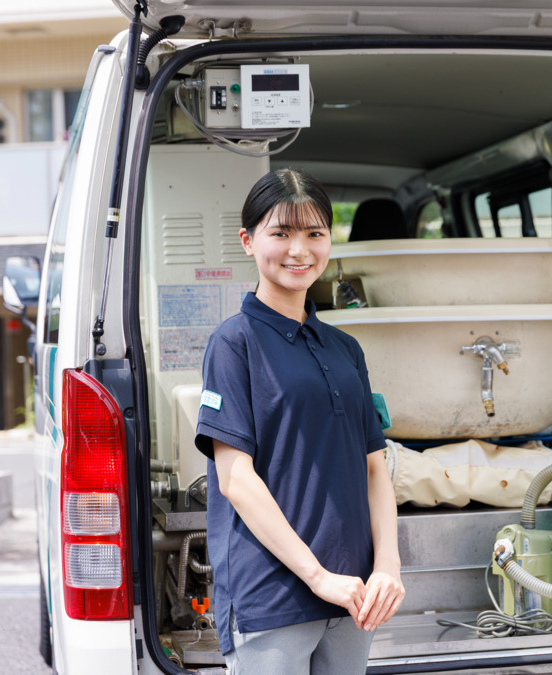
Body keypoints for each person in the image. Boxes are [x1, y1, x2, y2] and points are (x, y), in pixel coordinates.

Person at [194, 168, 404, 674]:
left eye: (314, 233)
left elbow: (375, 468)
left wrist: (388, 567)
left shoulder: (344, 348)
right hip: (273, 596)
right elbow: (236, 480)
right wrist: (317, 576)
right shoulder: (234, 343)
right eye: (281, 233)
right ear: (248, 241)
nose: (299, 250)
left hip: (354, 595)